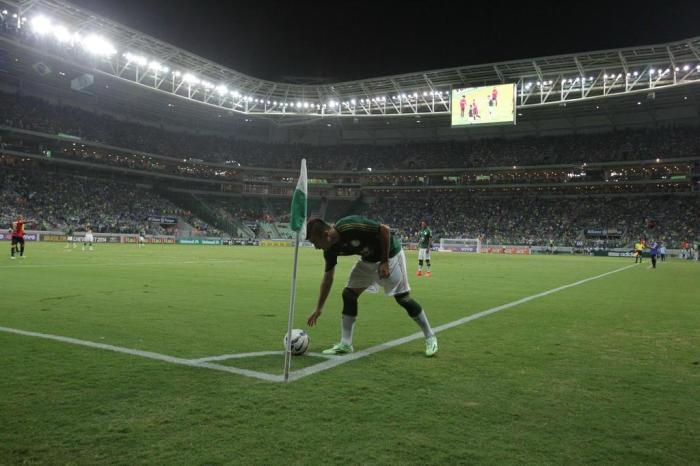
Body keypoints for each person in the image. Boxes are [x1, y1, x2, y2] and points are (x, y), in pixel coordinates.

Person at [305, 216, 438, 357]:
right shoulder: (330, 250)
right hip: (368, 260)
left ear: (326, 236)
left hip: (391, 255)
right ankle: (345, 344)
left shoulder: (349, 225)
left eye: (315, 242)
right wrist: (319, 308)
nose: (316, 247)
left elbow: (384, 230)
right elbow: (328, 278)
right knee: (349, 294)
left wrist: (385, 262)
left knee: (402, 298)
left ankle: (430, 336)